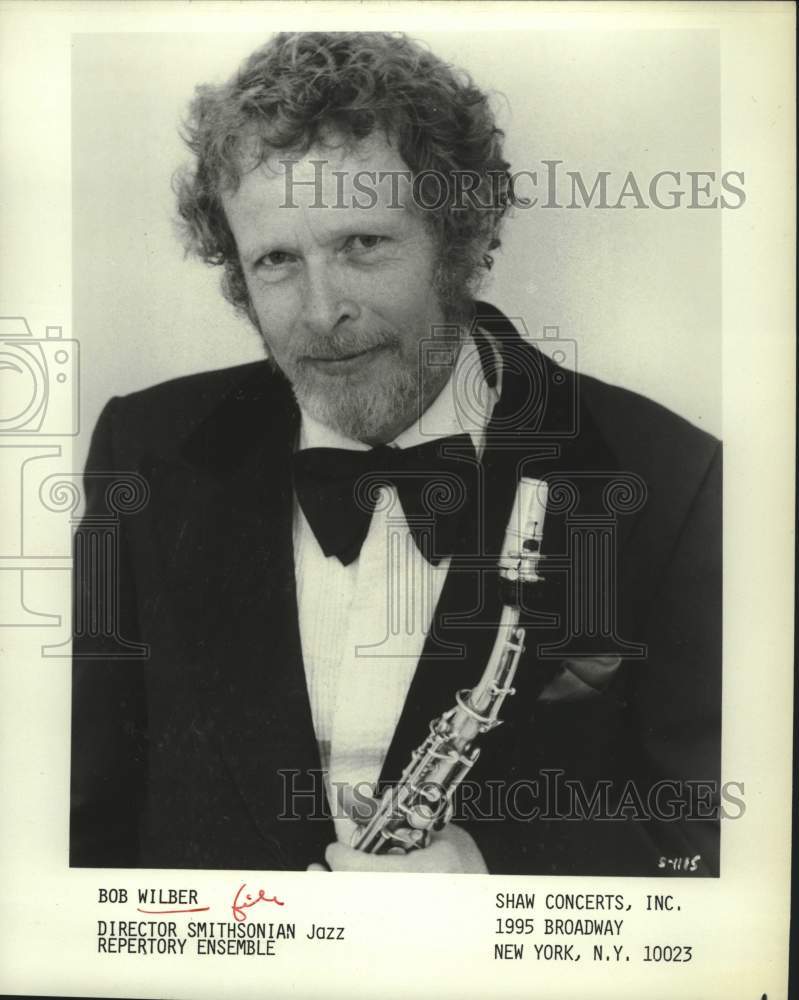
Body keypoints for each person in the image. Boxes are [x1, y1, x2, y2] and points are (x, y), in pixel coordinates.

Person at [70, 31, 721, 875]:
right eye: (275, 260)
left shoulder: (667, 478)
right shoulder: (145, 451)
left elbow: (715, 838)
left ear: (458, 239)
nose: (320, 309)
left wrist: (487, 877)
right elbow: (78, 820)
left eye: (362, 244)